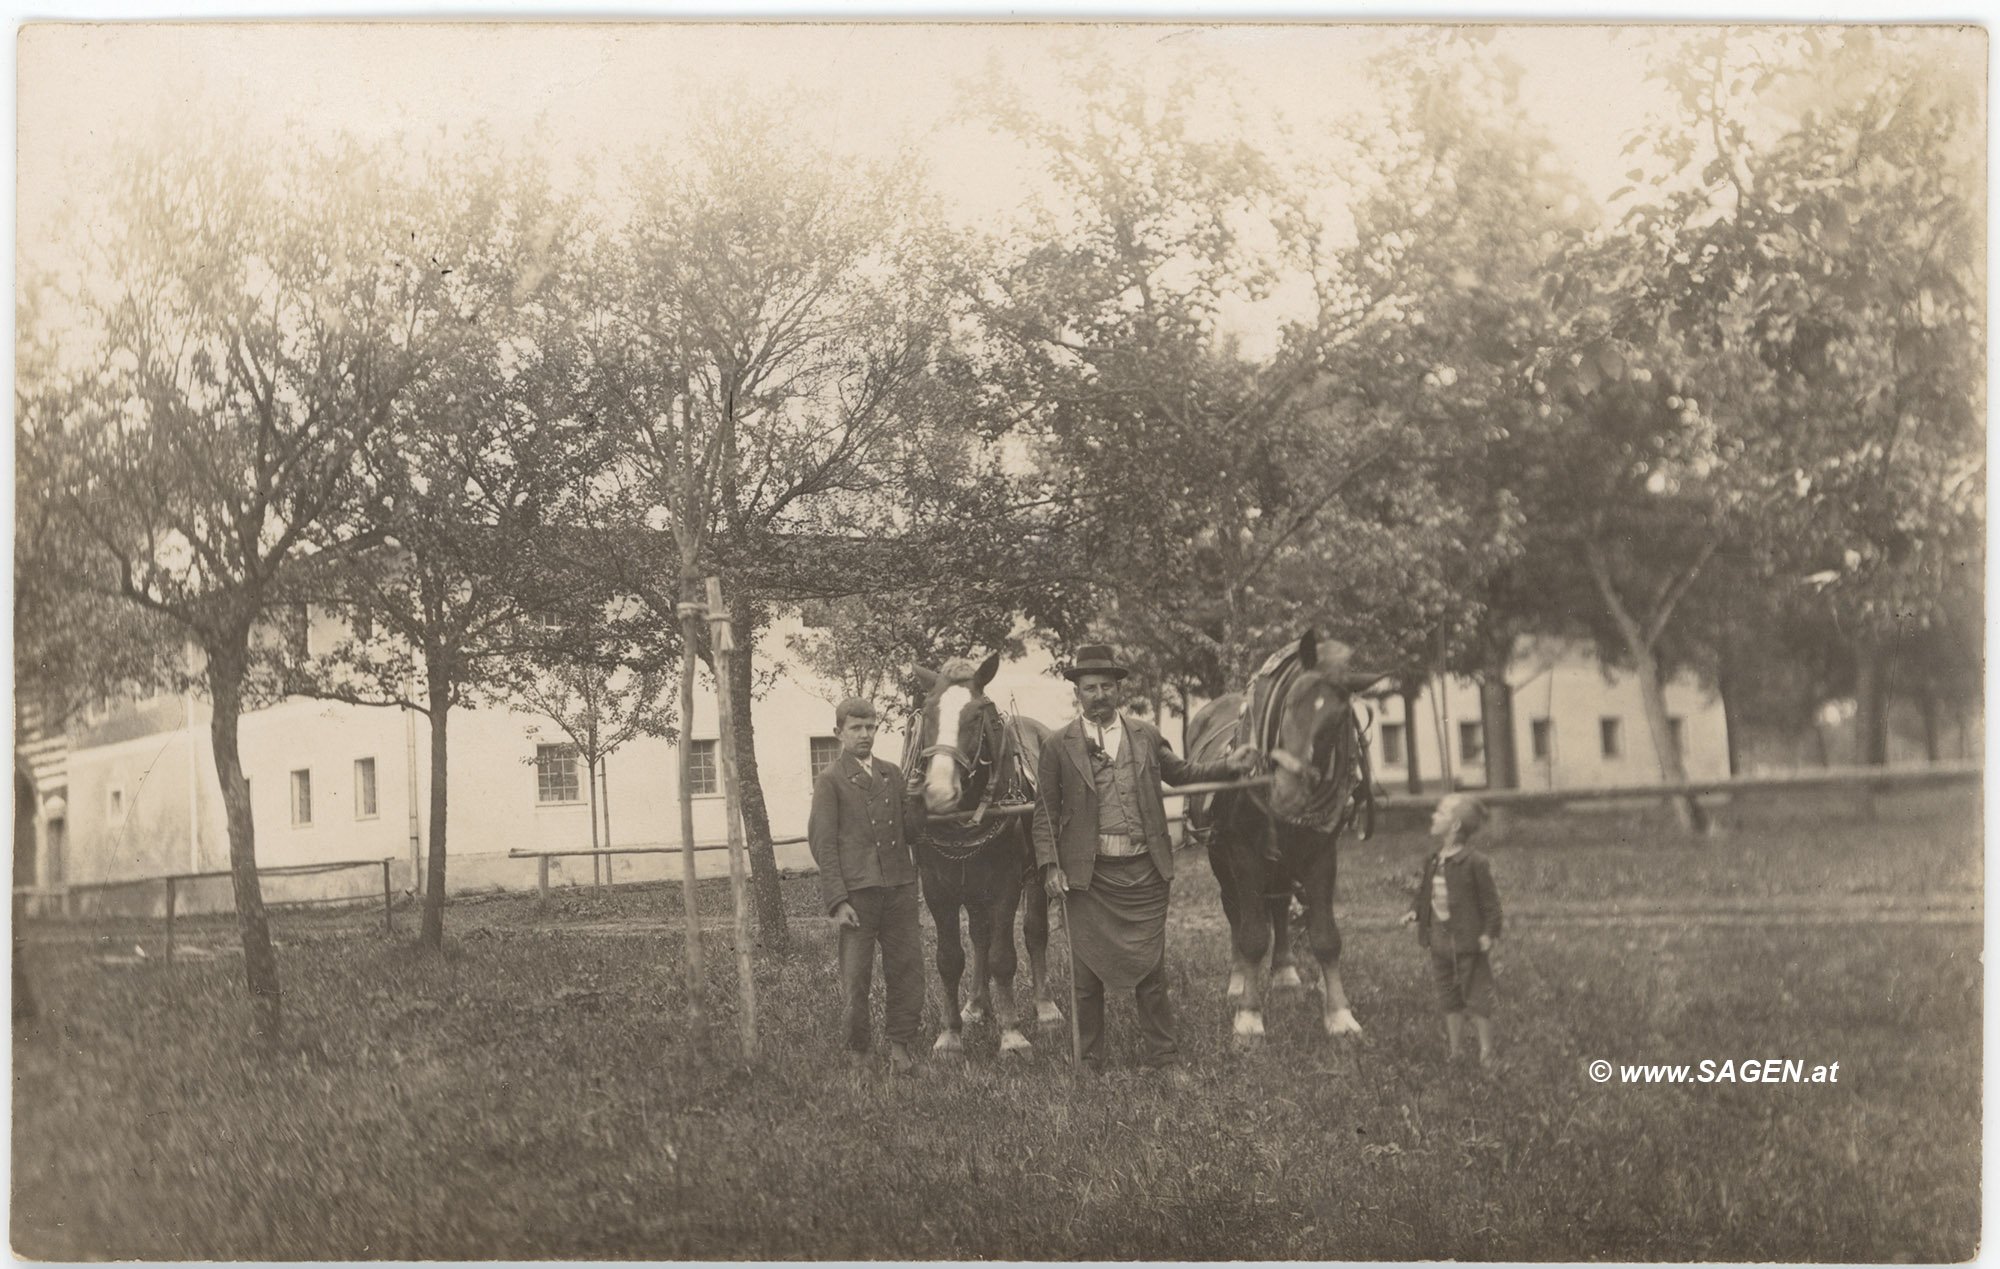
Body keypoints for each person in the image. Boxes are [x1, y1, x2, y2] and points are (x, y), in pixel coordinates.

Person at [1032, 644, 1256, 1078]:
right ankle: (1089, 1063)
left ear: (1119, 690)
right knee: (1086, 977)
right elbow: (1045, 812)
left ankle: (1164, 1060)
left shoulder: (1146, 735)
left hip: (1144, 871)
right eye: (1089, 688)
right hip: (1088, 878)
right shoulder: (1059, 746)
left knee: (1151, 972)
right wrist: (1050, 866)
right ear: (1077, 692)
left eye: (1106, 687)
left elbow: (1183, 774)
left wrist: (1231, 766)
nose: (1098, 695)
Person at [807, 697, 923, 1074]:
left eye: (870, 727)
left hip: (900, 889)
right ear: (838, 733)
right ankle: (860, 1054)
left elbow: (913, 834)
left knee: (907, 971)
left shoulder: (892, 774)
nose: (865, 735)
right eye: (856, 728)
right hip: (858, 895)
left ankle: (900, 1051)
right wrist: (838, 901)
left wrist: (918, 801)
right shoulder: (830, 781)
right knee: (856, 978)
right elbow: (822, 844)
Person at [1401, 793, 1504, 1066]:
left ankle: (1486, 1052)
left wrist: (1489, 933)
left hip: (1468, 942)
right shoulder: (1433, 860)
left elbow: (1491, 905)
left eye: (1441, 813)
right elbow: (1425, 893)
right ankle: (1455, 1052)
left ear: (1455, 826)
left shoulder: (1475, 863)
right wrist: (1415, 911)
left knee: (1477, 994)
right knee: (1448, 996)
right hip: (1439, 942)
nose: (1434, 817)